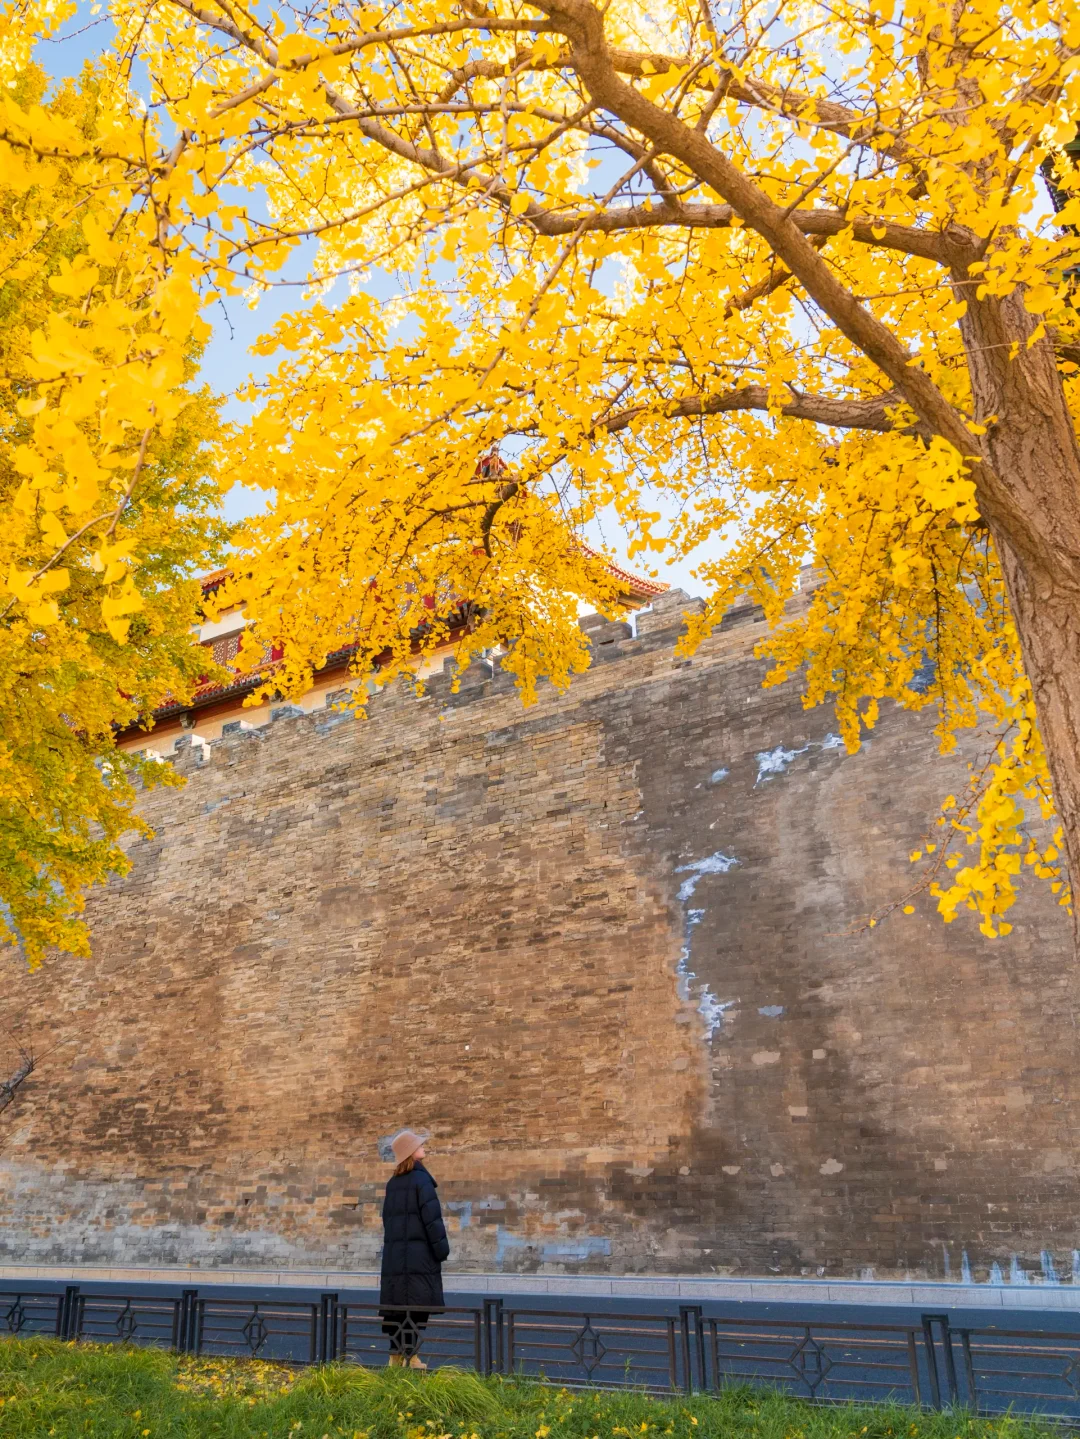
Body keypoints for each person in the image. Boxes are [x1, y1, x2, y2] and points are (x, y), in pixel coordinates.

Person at [378, 1128, 449, 1369]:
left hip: (396, 1257)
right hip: (419, 1257)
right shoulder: (421, 1180)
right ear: (411, 1152)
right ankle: (411, 1357)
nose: (424, 1146)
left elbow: (387, 1220)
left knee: (398, 1308)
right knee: (417, 1307)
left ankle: (395, 1357)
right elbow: (432, 1220)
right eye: (419, 1144)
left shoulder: (392, 1183)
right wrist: (442, 1251)